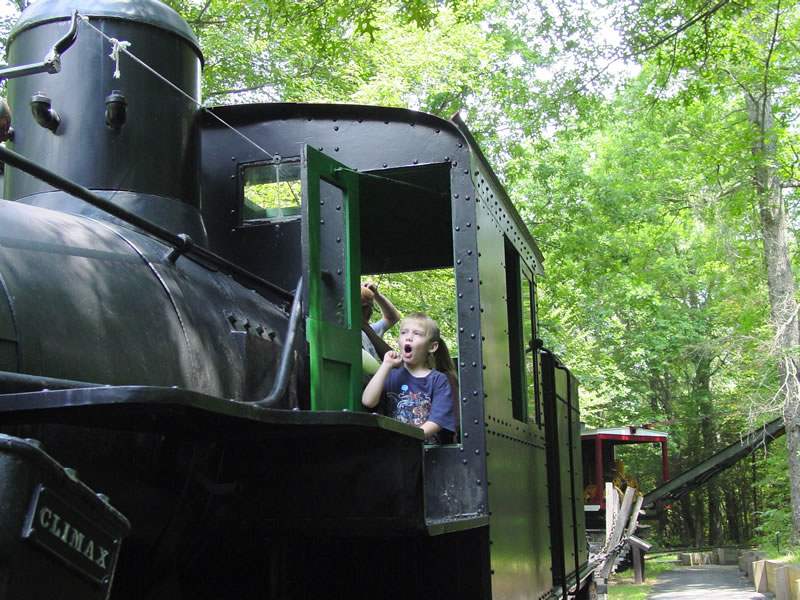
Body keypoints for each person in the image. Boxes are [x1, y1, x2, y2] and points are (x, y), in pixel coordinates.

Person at [362, 313, 456, 444]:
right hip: (394, 449)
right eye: (404, 333)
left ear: (432, 346)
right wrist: (385, 365)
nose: (409, 338)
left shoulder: (438, 380)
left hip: (426, 451)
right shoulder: (389, 375)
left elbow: (438, 421)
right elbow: (368, 401)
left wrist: (408, 438)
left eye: (417, 334)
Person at [360, 282, 400, 360]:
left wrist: (377, 295)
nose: (371, 312)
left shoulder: (371, 330)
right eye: (365, 307)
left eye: (371, 307)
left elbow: (393, 317)